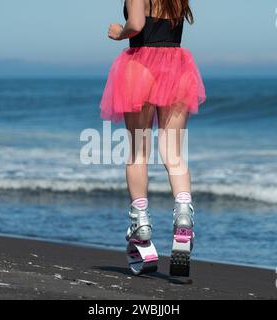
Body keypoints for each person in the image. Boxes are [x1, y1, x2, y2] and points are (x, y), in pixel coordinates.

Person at [100, 0, 206, 276]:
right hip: (177, 66)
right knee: (173, 153)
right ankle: (183, 219)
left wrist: (119, 32)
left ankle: (141, 226)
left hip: (140, 67)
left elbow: (136, 24)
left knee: (137, 152)